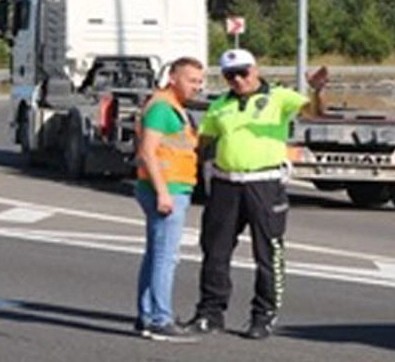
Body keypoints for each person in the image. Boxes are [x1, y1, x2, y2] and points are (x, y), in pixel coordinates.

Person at [185, 49, 327, 341]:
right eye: (230, 75)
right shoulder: (220, 105)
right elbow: (205, 141)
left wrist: (317, 91)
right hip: (226, 183)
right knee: (215, 251)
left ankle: (263, 315)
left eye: (243, 72)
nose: (238, 79)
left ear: (256, 70)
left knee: (268, 252)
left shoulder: (278, 97)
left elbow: (314, 114)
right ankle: (210, 313)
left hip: (264, 183)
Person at [133, 57, 205, 341]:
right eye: (192, 80)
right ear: (173, 78)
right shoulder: (163, 107)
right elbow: (148, 151)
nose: (197, 87)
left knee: (155, 255)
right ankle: (160, 319)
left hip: (169, 187)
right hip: (166, 189)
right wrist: (163, 191)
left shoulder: (169, 107)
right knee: (165, 257)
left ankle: (147, 315)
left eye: (200, 81)